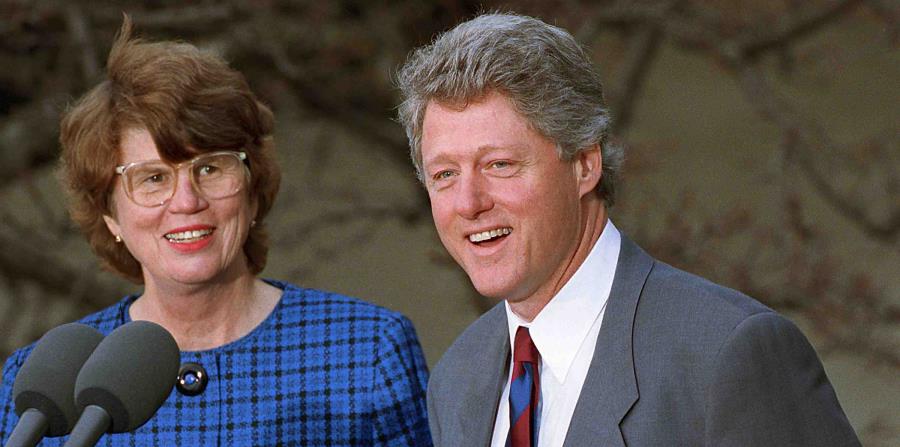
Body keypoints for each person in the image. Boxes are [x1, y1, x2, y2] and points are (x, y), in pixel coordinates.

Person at [397, 13, 860, 447]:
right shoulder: (456, 379)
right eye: (445, 175)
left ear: (584, 164)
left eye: (499, 164)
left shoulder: (729, 354)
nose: (468, 203)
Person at [0, 17, 431, 446]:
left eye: (209, 168)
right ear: (109, 214)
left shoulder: (367, 351)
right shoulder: (47, 390)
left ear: (252, 187)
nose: (187, 202)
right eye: (153, 178)